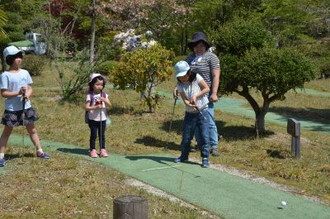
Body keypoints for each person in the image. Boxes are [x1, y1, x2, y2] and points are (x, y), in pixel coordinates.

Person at [0, 46, 50, 167]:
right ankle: (1, 156)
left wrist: (27, 94)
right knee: (7, 132)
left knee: (32, 130)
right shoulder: (5, 75)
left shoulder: (25, 72)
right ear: (9, 59)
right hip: (12, 109)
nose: (19, 59)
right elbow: (3, 93)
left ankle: (39, 151)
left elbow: (30, 87)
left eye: (20, 56)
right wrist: (17, 93)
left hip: (26, 107)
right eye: (15, 57)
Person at [187, 31, 221, 156]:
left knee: (209, 120)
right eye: (196, 46)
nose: (198, 48)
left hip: (206, 93)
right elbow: (185, 76)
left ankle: (214, 145)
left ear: (205, 46)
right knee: (195, 120)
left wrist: (214, 93)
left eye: (201, 45)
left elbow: (216, 76)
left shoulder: (212, 57)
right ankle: (200, 143)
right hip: (193, 93)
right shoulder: (190, 58)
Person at [173, 61, 211, 168]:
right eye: (179, 76)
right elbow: (184, 99)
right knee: (186, 136)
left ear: (189, 72)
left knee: (204, 135)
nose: (182, 78)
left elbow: (206, 88)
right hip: (189, 113)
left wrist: (196, 96)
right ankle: (184, 156)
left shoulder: (197, 78)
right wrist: (190, 104)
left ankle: (205, 158)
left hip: (202, 110)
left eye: (183, 75)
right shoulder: (179, 84)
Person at [85, 73, 111, 158]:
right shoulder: (90, 95)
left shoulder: (104, 95)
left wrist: (105, 100)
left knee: (102, 135)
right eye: (97, 84)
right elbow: (86, 107)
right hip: (93, 119)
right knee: (93, 135)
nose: (99, 86)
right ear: (92, 85)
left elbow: (109, 105)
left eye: (101, 85)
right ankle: (93, 149)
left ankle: (102, 149)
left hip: (102, 118)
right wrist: (95, 107)